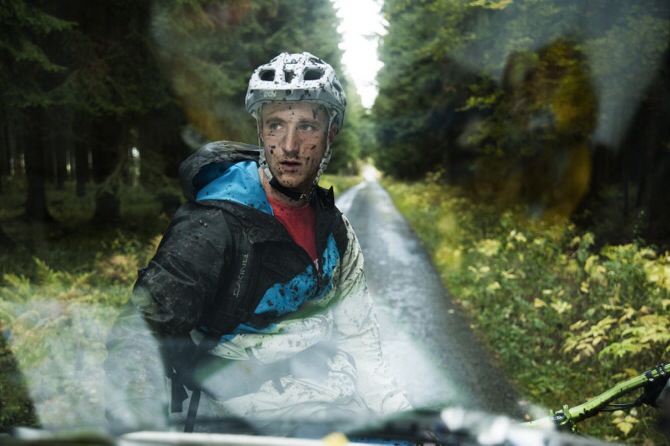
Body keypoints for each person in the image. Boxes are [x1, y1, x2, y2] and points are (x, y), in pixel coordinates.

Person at [104, 52, 411, 433]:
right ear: (260, 132)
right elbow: (141, 331)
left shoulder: (336, 232)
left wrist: (399, 415)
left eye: (307, 126)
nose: (290, 145)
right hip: (227, 424)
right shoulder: (215, 225)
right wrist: (134, 422)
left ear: (330, 133)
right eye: (276, 125)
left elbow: (359, 338)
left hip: (325, 412)